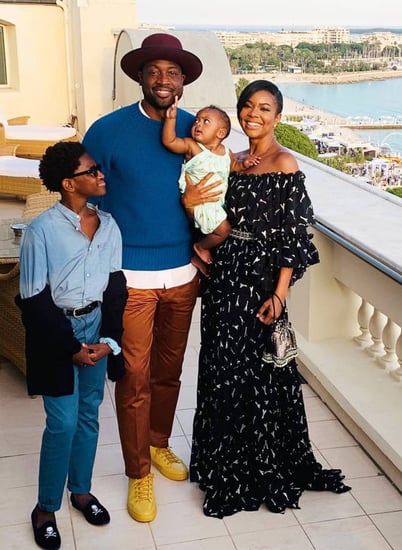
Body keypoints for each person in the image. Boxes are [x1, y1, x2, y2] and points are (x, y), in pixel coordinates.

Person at [183, 80, 351, 518]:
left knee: (259, 374)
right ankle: (222, 463)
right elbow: (209, 210)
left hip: (260, 282)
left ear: (277, 117)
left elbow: (295, 237)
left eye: (263, 108)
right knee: (221, 367)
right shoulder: (231, 160)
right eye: (246, 107)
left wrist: (279, 293)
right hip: (224, 277)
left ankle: (263, 467)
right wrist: (200, 243)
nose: (252, 114)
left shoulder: (285, 163)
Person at [82, 32, 204, 523]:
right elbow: (86, 201)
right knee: (133, 378)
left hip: (184, 274)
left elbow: (221, 191)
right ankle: (138, 473)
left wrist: (208, 243)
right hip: (129, 277)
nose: (163, 79)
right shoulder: (107, 132)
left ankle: (158, 444)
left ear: (183, 82)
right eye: (153, 71)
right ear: (139, 76)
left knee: (169, 371)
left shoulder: (201, 129)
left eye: (172, 73)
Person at [16, 141, 127, 549]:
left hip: (96, 327)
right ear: (68, 183)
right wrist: (71, 348)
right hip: (55, 333)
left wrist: (108, 341)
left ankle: (80, 491)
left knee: (88, 415)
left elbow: (115, 288)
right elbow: (33, 300)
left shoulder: (110, 226)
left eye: (99, 169)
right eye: (91, 170)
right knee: (61, 422)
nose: (100, 175)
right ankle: (46, 507)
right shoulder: (41, 231)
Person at [162, 101, 260, 264]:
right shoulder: (192, 146)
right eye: (197, 120)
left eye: (205, 121)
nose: (198, 124)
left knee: (224, 227)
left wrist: (244, 164)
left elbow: (233, 166)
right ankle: (201, 247)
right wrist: (170, 120)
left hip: (215, 202)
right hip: (201, 202)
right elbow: (169, 142)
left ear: (220, 132)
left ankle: (202, 247)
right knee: (224, 230)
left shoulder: (225, 152)